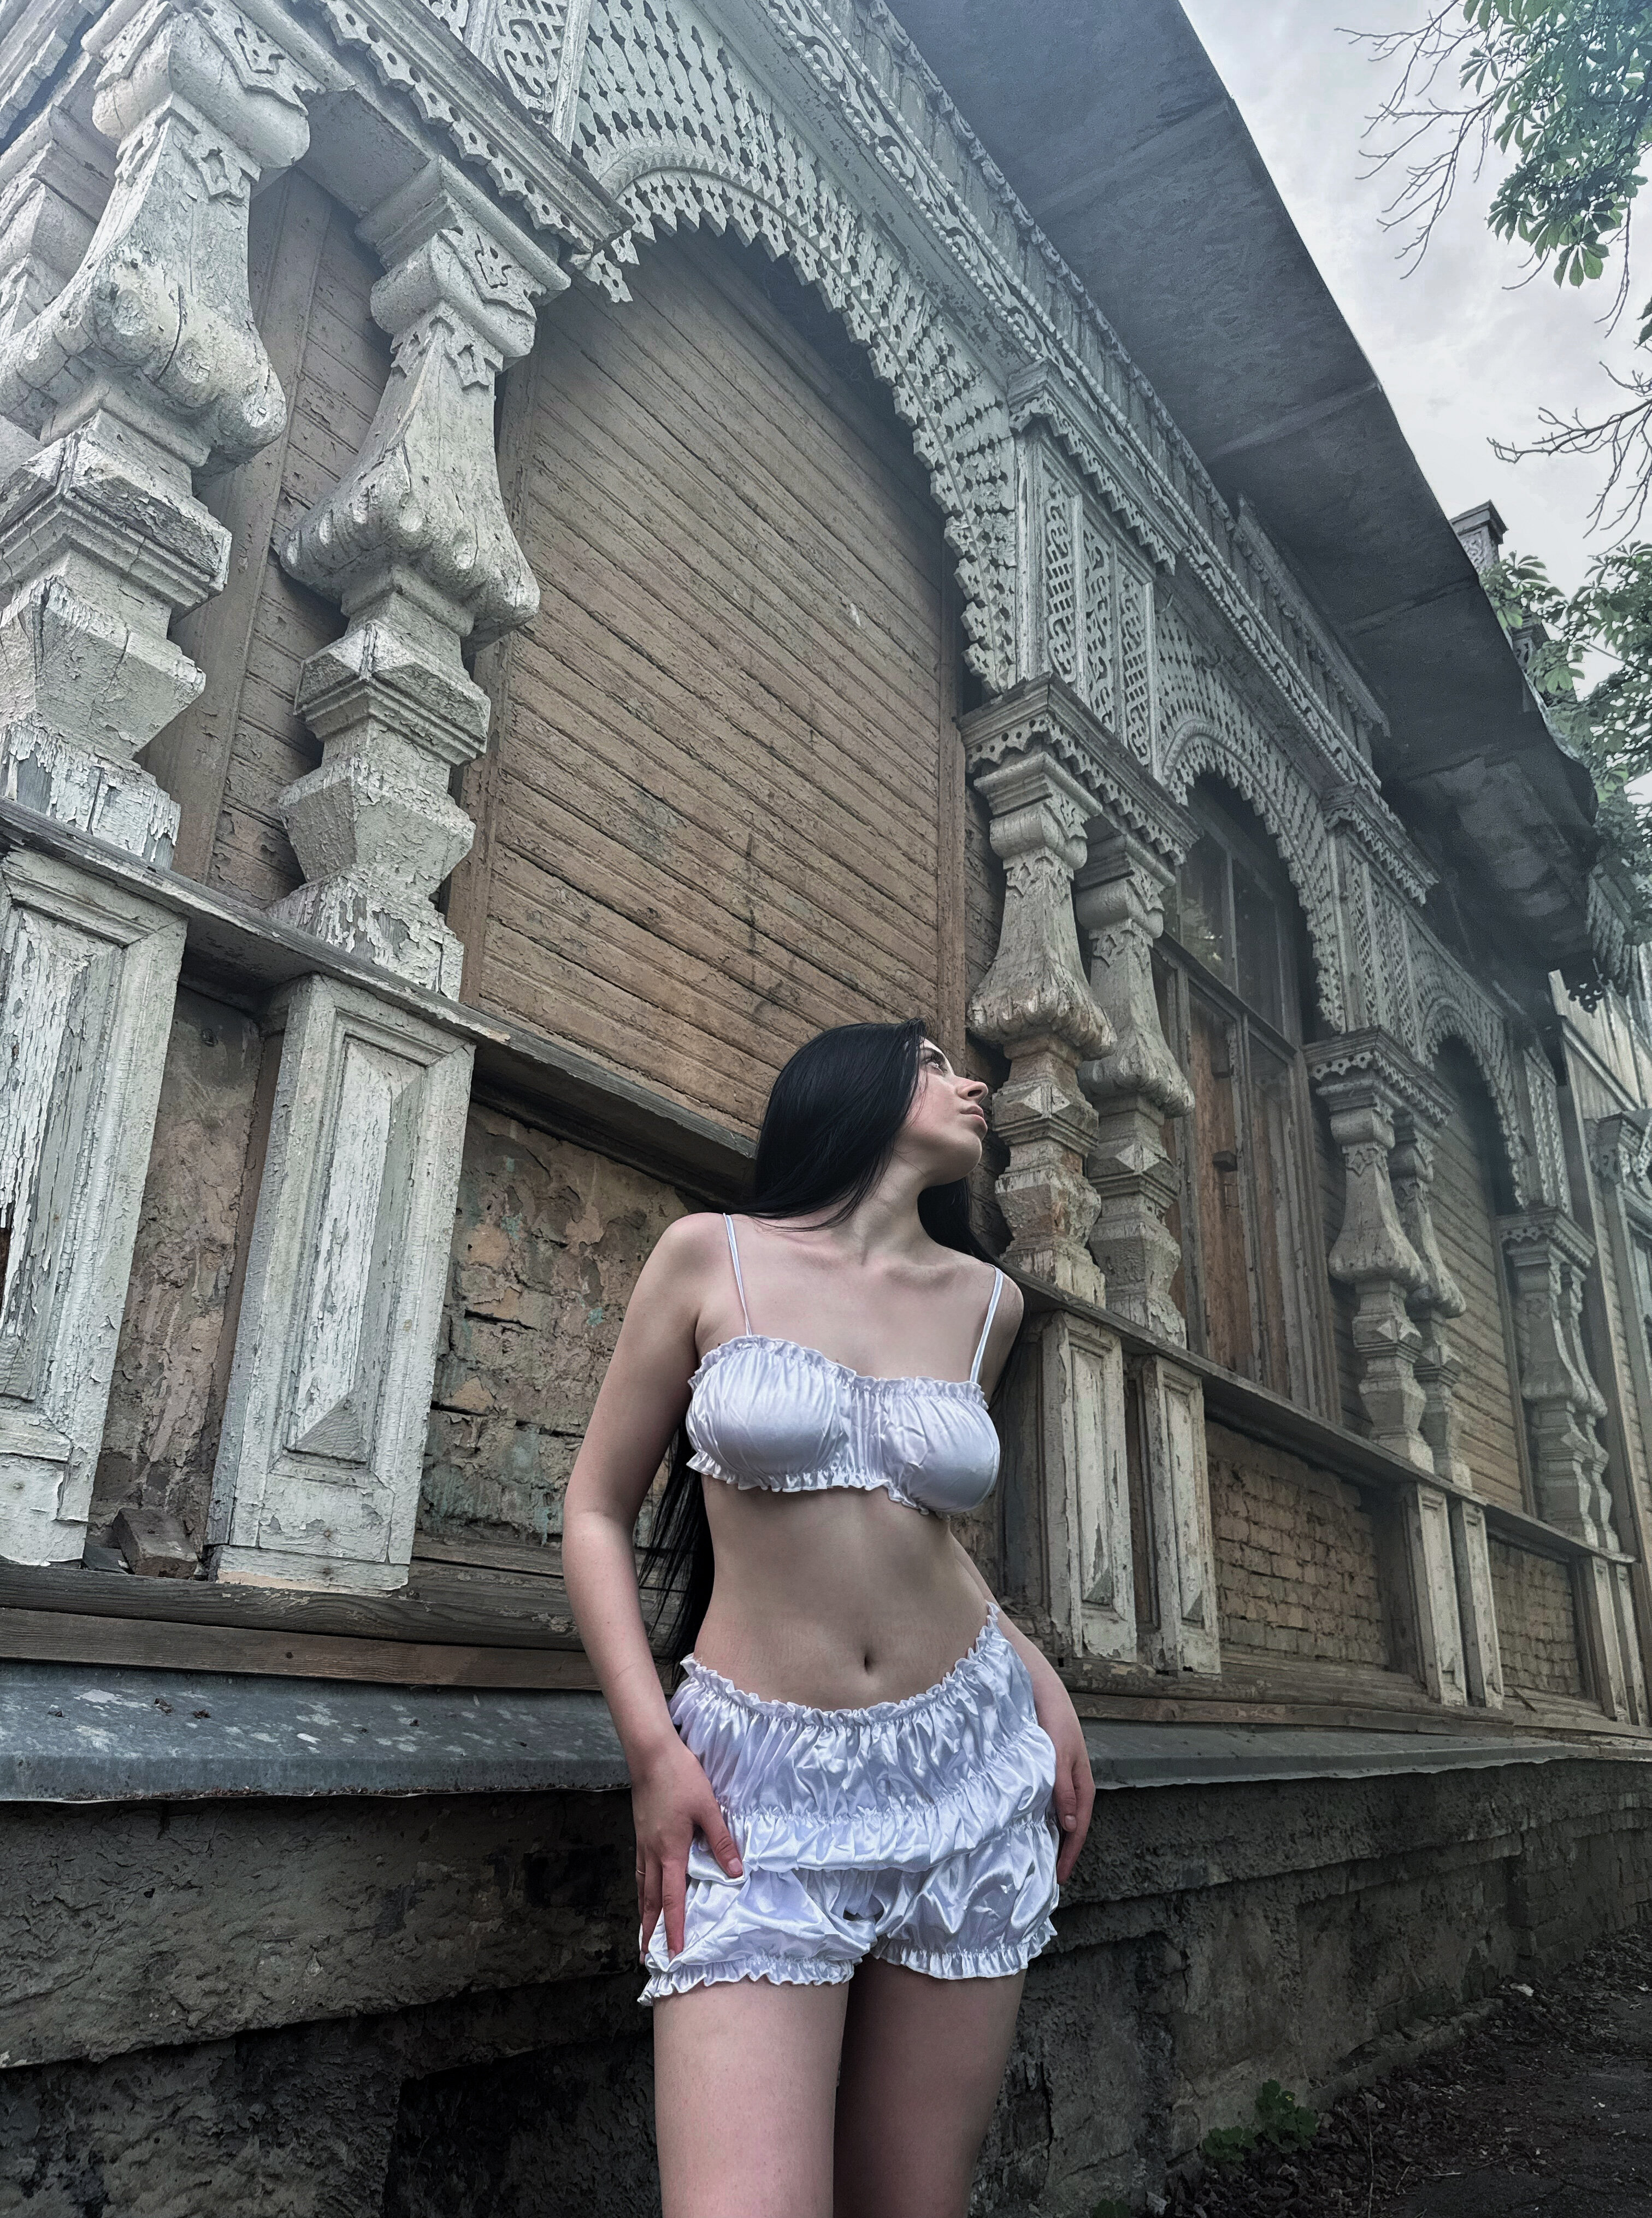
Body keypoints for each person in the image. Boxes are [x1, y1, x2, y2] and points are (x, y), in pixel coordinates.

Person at [562, 1019, 1096, 2218]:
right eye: (931, 1062)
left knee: (913, 2201)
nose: (971, 1083)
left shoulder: (989, 1302)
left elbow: (916, 1529)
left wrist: (1034, 1670)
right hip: (757, 1784)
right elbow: (594, 1511)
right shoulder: (710, 1256)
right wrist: (653, 1750)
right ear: (851, 1090)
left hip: (967, 1769)